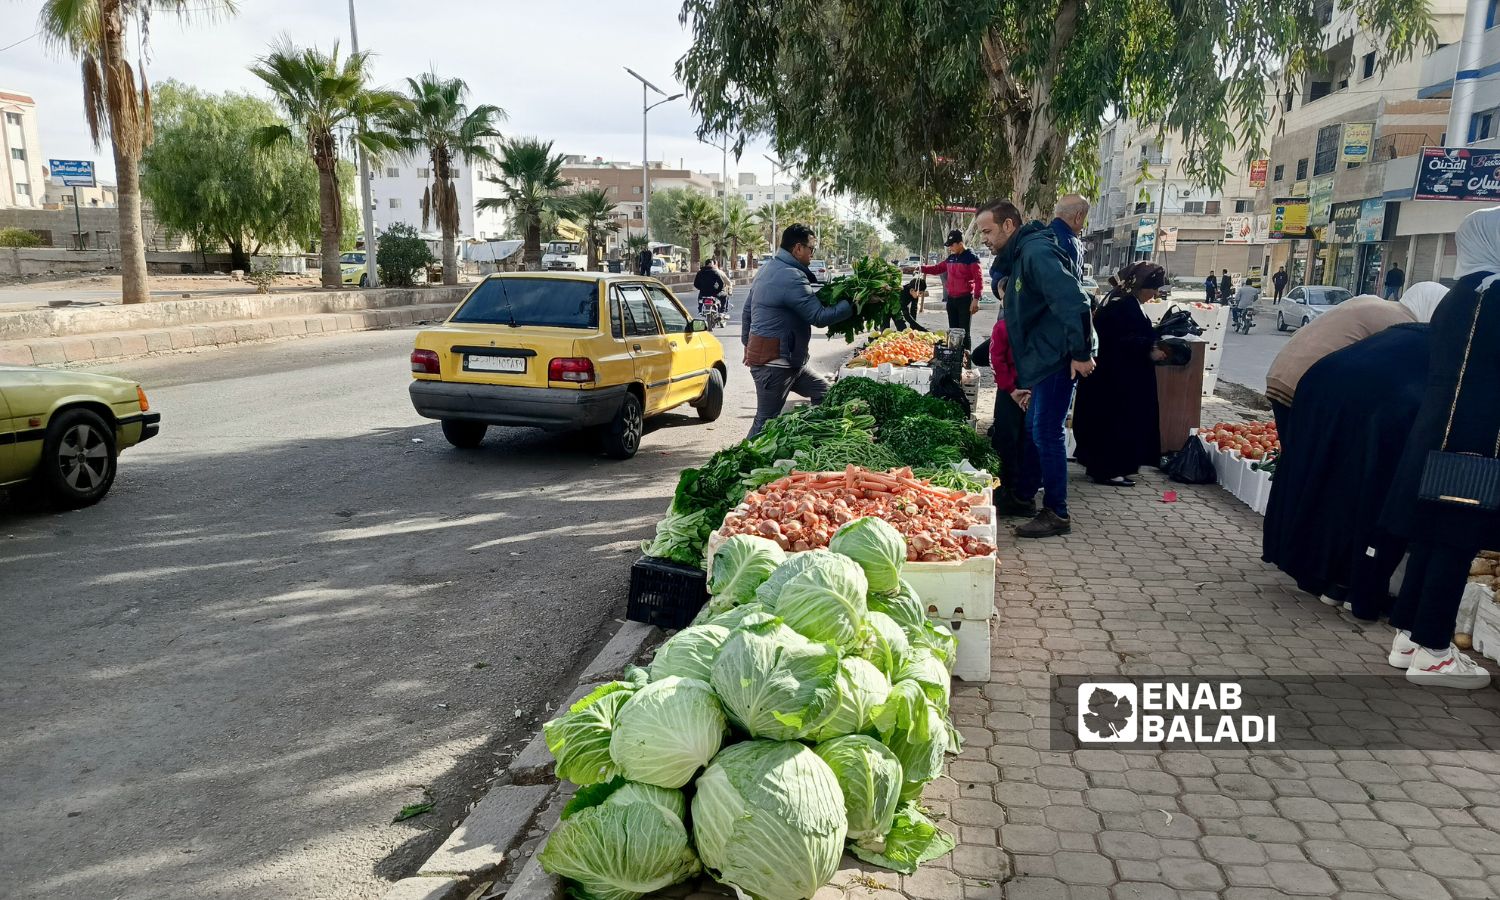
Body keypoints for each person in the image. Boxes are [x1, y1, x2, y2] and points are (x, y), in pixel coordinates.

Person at [1378, 207, 1500, 689]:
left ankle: (1409, 638)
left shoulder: (1460, 293)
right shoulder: (1492, 295)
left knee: (1431, 536)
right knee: (1454, 541)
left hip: (1441, 435)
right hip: (1472, 441)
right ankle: (1433, 650)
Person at [1262, 322, 1433, 619]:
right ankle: (1354, 588)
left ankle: (1319, 575)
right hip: (1373, 405)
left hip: (1321, 384)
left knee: (1326, 482)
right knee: (1370, 494)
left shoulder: (1409, 330)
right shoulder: (1451, 350)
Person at [977, 198, 1095, 539]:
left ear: (1009, 226)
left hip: (1058, 359)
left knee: (1046, 432)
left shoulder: (1036, 253)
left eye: (988, 231)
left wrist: (1080, 352)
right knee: (1033, 430)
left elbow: (1074, 300)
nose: (984, 238)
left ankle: (1057, 512)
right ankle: (1023, 497)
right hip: (1040, 360)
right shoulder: (1019, 254)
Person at [742, 224, 856, 439]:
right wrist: (852, 303)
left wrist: (747, 345)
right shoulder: (790, 276)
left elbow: (748, 310)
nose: (813, 254)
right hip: (775, 364)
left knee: (825, 393)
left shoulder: (768, 268)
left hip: (791, 362)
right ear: (797, 249)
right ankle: (741, 464)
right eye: (811, 249)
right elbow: (819, 317)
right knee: (765, 421)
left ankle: (812, 440)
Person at [1264, 295, 1419, 434]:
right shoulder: (1404, 323)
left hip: (1281, 374)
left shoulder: (1372, 302)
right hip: (1306, 385)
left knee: (1294, 450)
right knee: (1313, 452)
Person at [1072, 262, 1165, 487]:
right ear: (1141, 286)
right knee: (1114, 424)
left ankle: (1102, 466)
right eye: (1153, 289)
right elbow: (1116, 341)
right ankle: (1108, 470)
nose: (1155, 294)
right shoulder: (1122, 305)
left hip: (1115, 378)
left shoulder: (1121, 300)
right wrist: (1148, 348)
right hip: (1114, 382)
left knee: (1112, 423)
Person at [921, 230, 984, 352]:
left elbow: (979, 280)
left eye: (952, 245)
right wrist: (921, 268)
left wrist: (976, 299)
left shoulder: (971, 258)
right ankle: (954, 358)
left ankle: (965, 361)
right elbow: (937, 268)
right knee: (953, 331)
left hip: (965, 300)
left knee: (964, 332)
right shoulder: (950, 259)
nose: (950, 247)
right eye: (949, 245)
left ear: (960, 243)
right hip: (951, 300)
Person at [1049, 194, 1089, 276]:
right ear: (1078, 217)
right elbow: (1074, 286)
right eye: (1084, 220)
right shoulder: (1071, 244)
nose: (1083, 225)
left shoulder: (1042, 234)